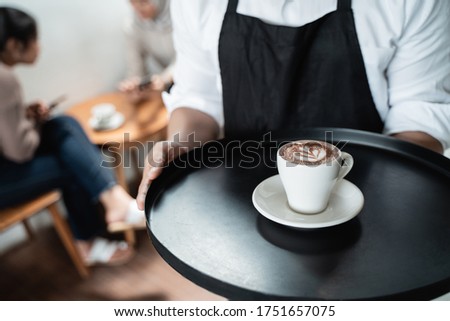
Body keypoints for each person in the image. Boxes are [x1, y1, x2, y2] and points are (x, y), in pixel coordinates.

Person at [136, 0, 450, 210]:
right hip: (241, 211)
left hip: (371, 203)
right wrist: (180, 144)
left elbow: (420, 108)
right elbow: (198, 98)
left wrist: (384, 198)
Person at [0, 7, 145, 266]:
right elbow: (20, 151)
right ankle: (90, 239)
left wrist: (25, 115)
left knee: (64, 124)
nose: (39, 47)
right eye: (35, 39)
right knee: (73, 162)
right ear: (13, 44)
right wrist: (35, 124)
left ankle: (114, 202)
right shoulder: (4, 78)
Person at [119, 0, 175, 104]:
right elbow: (136, 67)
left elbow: (193, 56)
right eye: (132, 2)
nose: (138, 8)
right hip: (168, 89)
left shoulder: (182, 15)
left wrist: (167, 77)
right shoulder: (133, 25)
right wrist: (134, 84)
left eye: (143, 2)